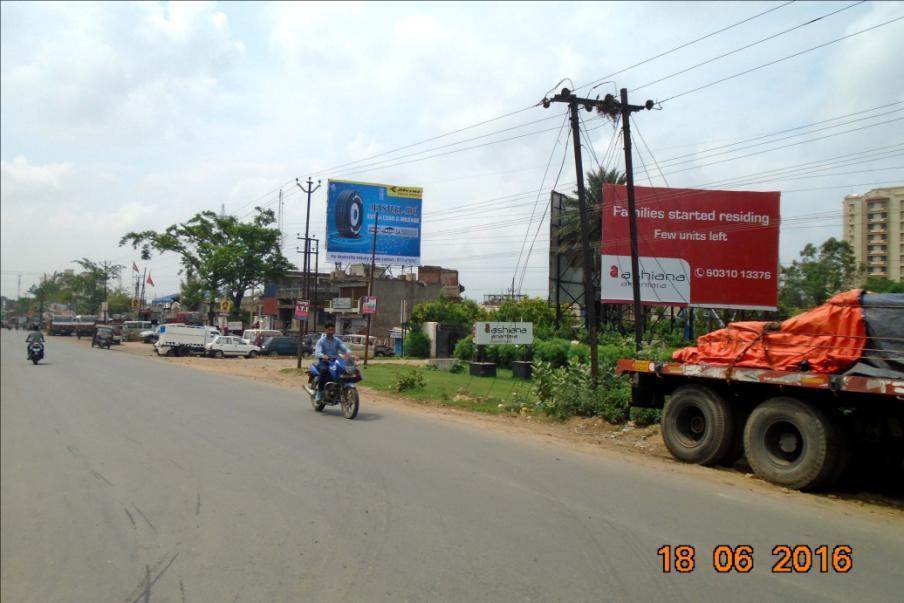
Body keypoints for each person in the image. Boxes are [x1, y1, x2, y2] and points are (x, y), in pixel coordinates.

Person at [312, 323, 350, 402]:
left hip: (335, 361)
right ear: (325, 330)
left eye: (333, 330)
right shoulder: (321, 341)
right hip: (324, 361)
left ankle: (338, 388)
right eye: (329, 330)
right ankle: (320, 392)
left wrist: (350, 355)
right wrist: (323, 356)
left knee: (344, 370)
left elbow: (344, 348)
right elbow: (317, 352)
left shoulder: (337, 340)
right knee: (324, 371)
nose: (331, 331)